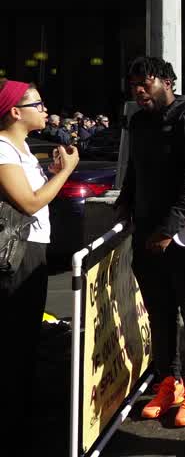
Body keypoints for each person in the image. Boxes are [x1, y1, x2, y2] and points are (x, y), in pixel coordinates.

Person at [118, 56, 185, 427]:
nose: (138, 91)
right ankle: (168, 381)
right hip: (148, 237)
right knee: (159, 312)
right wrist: (125, 200)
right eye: (133, 86)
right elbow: (135, 169)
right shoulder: (139, 122)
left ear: (166, 81)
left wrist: (167, 231)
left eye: (144, 83)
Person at [0, 80, 79, 452]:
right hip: (16, 255)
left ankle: (21, 421)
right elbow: (28, 203)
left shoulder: (23, 148)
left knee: (26, 338)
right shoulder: (2, 147)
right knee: (14, 342)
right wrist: (64, 174)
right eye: (38, 103)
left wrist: (53, 172)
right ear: (16, 111)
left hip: (32, 249)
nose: (45, 109)